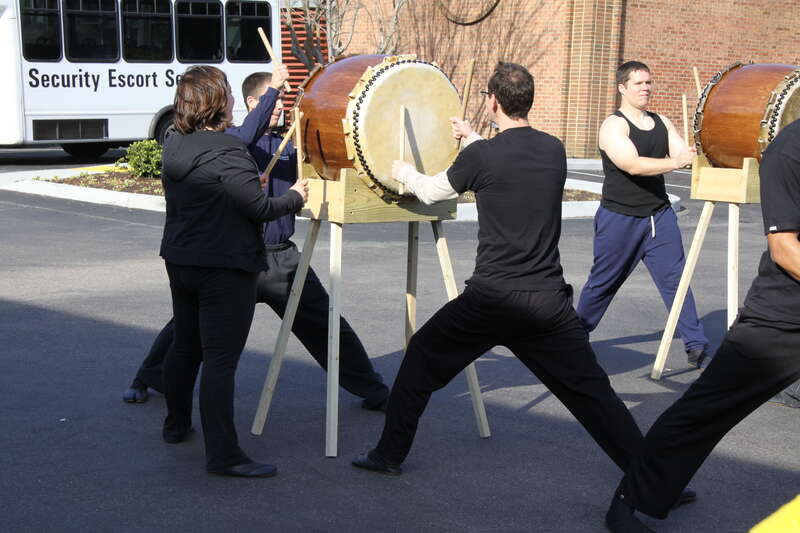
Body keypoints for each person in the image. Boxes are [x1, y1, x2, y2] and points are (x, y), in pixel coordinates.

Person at [351, 62, 656, 481]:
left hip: (490, 302)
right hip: (547, 305)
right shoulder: (552, 149)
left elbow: (433, 191)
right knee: (593, 395)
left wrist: (405, 172)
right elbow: (509, 162)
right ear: (528, 101)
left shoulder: (481, 157)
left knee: (420, 360)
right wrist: (473, 139)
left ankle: (388, 455)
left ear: (492, 102)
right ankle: (656, 481)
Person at [123, 72, 389, 410]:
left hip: (280, 259)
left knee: (325, 324)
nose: (279, 106)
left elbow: (319, 176)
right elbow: (248, 134)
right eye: (272, 100)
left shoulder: (289, 145)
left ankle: (373, 389)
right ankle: (147, 377)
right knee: (187, 330)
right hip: (235, 260)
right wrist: (274, 87)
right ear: (252, 103)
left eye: (281, 101)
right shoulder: (229, 140)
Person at [604, 118, 800, 532]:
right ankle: (630, 500)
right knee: (705, 410)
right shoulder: (789, 152)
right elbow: (785, 249)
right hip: (782, 318)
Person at [159, 65, 308, 478]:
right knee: (220, 362)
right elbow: (259, 208)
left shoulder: (174, 142)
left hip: (182, 261)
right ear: (218, 102)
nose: (229, 99)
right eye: (225, 92)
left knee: (185, 347)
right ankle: (224, 455)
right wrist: (294, 196)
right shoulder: (228, 151)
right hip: (224, 267)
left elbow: (217, 195)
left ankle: (175, 424)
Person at [576, 61, 709, 368]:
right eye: (638, 83)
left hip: (658, 216)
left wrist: (692, 153)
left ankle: (696, 343)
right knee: (603, 283)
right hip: (619, 218)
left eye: (648, 82)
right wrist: (676, 162)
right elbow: (632, 164)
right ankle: (573, 337)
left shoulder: (662, 122)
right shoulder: (613, 126)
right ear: (622, 88)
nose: (646, 88)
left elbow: (681, 154)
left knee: (676, 281)